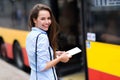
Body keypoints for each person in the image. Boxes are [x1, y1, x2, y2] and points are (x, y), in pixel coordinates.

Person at [26, 4, 72, 80]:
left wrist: (53, 53)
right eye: (43, 19)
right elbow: (42, 66)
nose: (47, 22)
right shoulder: (42, 37)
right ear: (34, 20)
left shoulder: (31, 34)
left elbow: (36, 57)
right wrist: (60, 58)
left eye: (49, 18)